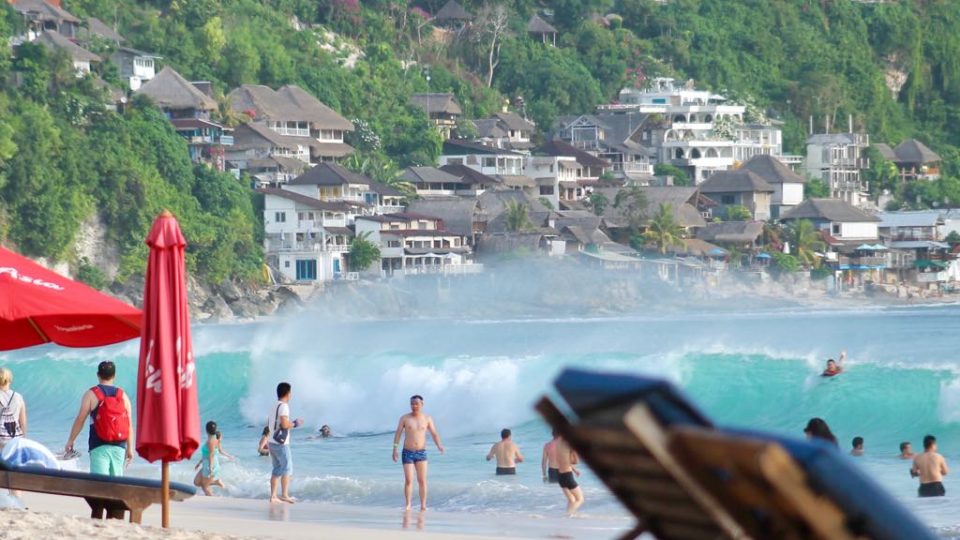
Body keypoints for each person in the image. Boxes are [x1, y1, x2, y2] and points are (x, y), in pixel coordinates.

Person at [64, 361, 133, 476]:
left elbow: (80, 419)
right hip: (119, 446)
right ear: (114, 376)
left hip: (98, 445)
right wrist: (130, 448)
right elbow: (129, 424)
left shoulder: (91, 394)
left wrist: (71, 440)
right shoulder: (123, 396)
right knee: (116, 486)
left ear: (98, 375)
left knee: (99, 486)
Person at [391, 395, 444, 511]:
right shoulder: (404, 418)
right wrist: (395, 449)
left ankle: (423, 504)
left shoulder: (427, 418)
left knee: (422, 480)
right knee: (409, 480)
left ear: (422, 404)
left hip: (421, 453)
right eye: (412, 404)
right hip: (407, 452)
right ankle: (408, 504)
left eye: (416, 404)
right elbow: (398, 433)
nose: (414, 406)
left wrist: (439, 445)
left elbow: (434, 433)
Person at [267, 382, 303, 504]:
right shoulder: (284, 406)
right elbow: (284, 424)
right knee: (287, 468)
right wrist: (295, 423)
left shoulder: (273, 405)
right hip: (281, 443)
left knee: (276, 468)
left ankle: (273, 496)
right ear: (288, 393)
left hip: (271, 441)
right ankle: (284, 495)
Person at [194, 421, 235, 496]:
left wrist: (210, 467)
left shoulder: (210, 441)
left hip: (209, 466)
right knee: (196, 482)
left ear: (206, 430)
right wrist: (199, 463)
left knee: (205, 487)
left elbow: (211, 455)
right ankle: (216, 482)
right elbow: (219, 451)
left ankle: (212, 501)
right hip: (208, 464)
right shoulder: (216, 439)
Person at [555, 435, 583, 516]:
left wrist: (574, 470)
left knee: (571, 500)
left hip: (560, 476)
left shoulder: (558, 443)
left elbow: (564, 460)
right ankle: (568, 515)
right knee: (580, 499)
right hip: (567, 476)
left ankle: (568, 518)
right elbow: (576, 461)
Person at [0, 367, 27, 448]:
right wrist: (23, 439)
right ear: (10, 380)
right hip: (15, 439)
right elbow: (23, 423)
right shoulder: (18, 397)